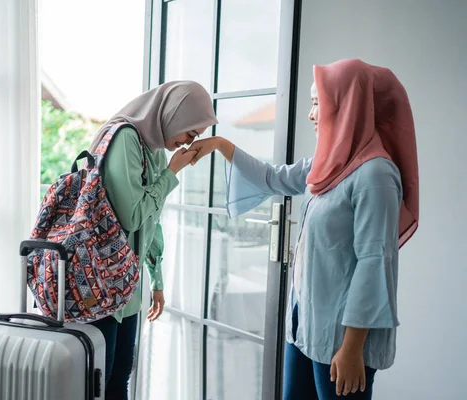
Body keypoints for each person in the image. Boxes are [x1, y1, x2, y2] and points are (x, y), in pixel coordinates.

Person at [187, 59, 419, 399]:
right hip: (306, 325)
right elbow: (273, 178)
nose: (312, 114)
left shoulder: (375, 176)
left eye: (317, 103)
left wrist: (352, 347)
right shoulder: (331, 162)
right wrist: (221, 145)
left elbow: (374, 262)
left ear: (346, 106)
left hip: (343, 339)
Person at [87, 80, 218, 399]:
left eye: (196, 136)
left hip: (125, 283)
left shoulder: (153, 149)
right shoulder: (125, 138)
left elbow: (151, 218)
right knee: (96, 384)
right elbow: (132, 215)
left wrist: (156, 279)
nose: (189, 140)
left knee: (119, 379)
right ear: (175, 114)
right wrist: (172, 173)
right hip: (97, 285)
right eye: (191, 131)